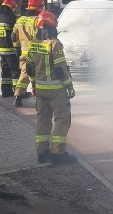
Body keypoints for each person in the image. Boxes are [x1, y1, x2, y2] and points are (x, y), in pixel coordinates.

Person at [26, 13, 76, 165]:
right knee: (62, 119)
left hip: (40, 91)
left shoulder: (34, 43)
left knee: (43, 120)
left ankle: (42, 153)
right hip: (57, 91)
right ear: (52, 27)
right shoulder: (55, 44)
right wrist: (70, 87)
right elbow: (61, 69)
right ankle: (58, 154)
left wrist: (34, 84)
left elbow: (29, 67)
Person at [11, 0, 44, 107]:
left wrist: (16, 47)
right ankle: (38, 100)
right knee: (38, 75)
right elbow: (42, 37)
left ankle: (18, 98)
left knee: (24, 75)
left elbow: (13, 36)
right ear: (40, 7)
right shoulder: (37, 21)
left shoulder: (20, 20)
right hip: (37, 53)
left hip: (24, 53)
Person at [0, 0, 20, 97]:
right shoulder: (11, 19)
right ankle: (18, 93)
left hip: (1, 49)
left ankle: (6, 91)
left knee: (5, 71)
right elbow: (16, 34)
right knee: (15, 71)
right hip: (11, 49)